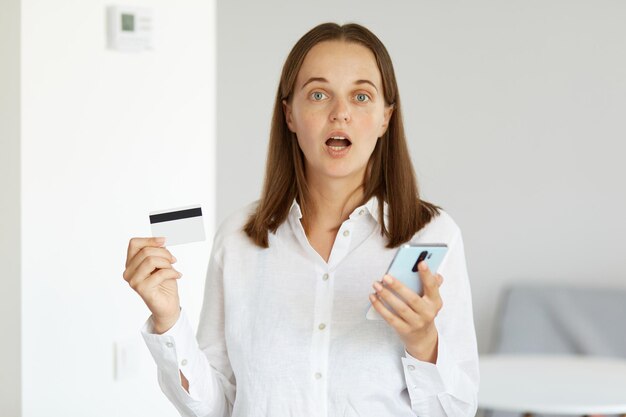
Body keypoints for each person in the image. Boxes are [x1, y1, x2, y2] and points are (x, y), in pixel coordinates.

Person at [123, 22, 479, 417]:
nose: (340, 113)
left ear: (385, 118)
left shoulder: (432, 235)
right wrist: (168, 320)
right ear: (289, 113)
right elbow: (217, 407)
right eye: (319, 94)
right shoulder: (239, 240)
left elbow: (456, 411)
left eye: (361, 96)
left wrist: (423, 341)